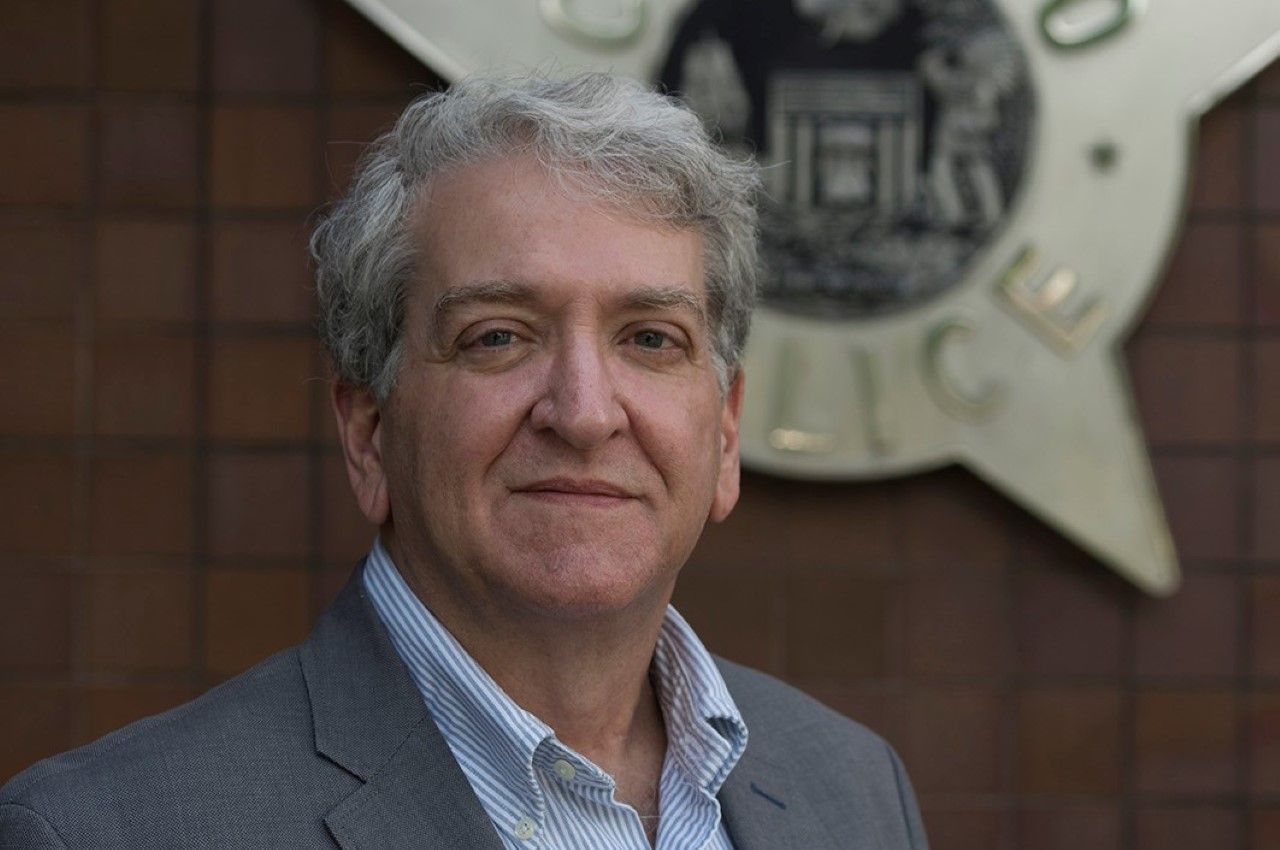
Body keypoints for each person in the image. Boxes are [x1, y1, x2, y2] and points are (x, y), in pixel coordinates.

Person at [0, 72, 927, 850]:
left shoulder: (852, 789)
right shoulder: (105, 829)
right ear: (368, 432)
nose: (585, 413)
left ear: (724, 434)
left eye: (650, 337)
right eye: (498, 338)